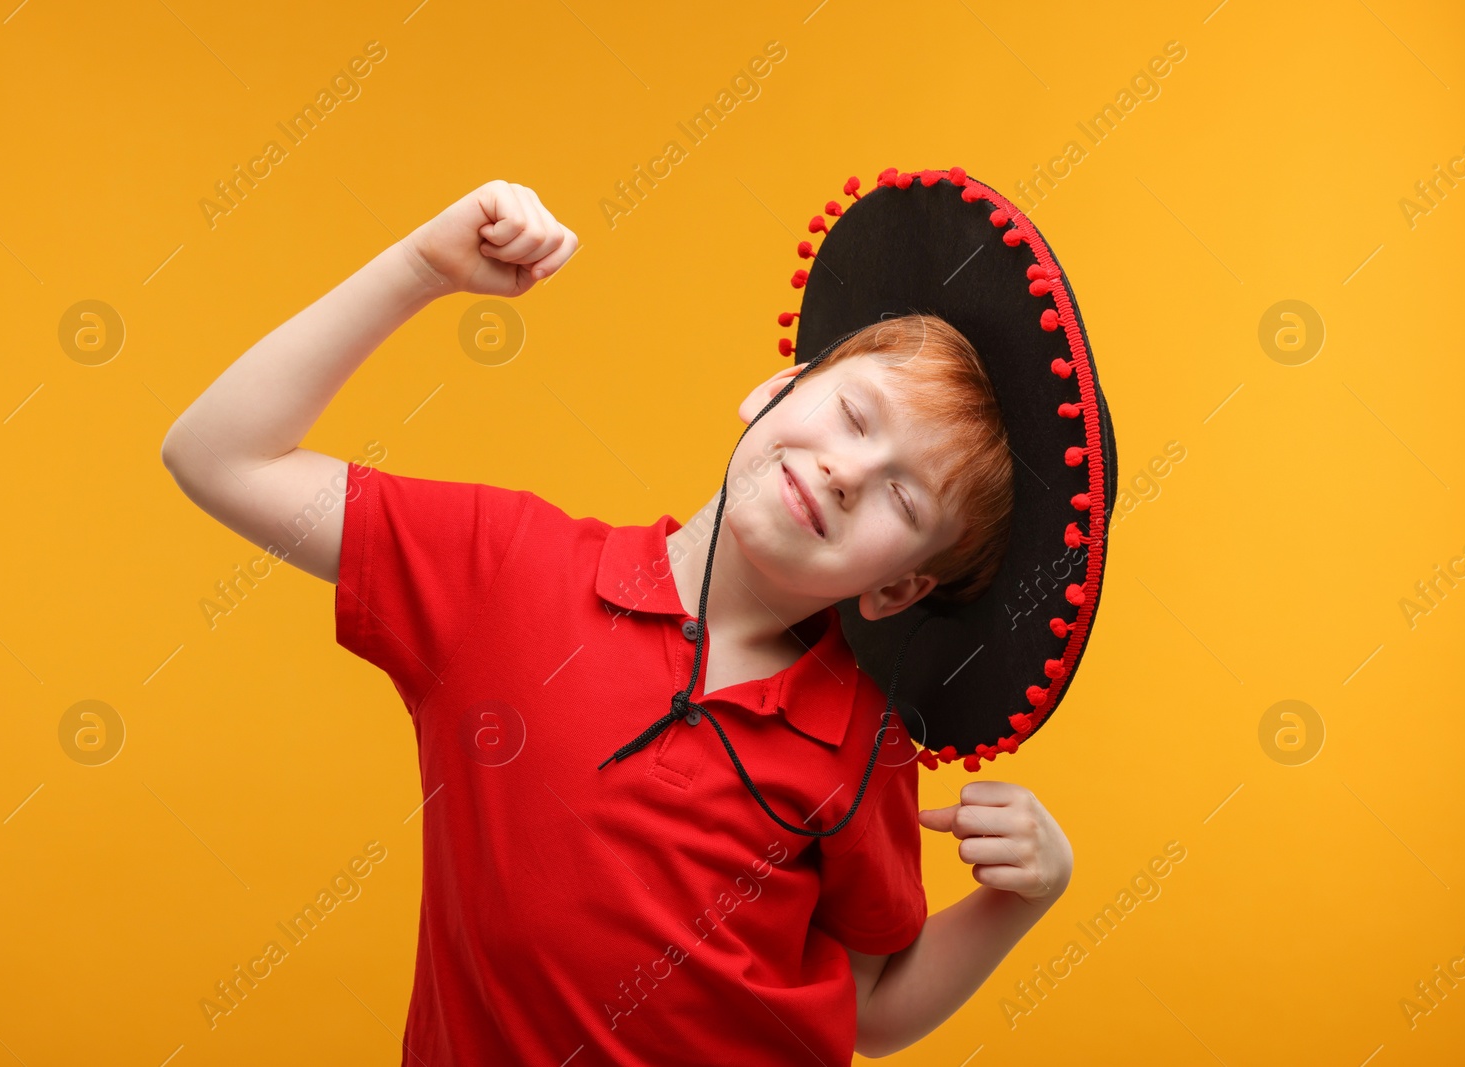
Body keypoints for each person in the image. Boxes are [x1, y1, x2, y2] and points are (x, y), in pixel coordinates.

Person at [160, 178, 1074, 1064]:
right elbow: (220, 455)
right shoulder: (503, 568)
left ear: (899, 590)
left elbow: (872, 1010)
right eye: (853, 416)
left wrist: (1021, 898)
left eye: (903, 501)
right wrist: (421, 269)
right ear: (775, 391)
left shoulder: (864, 745)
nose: (848, 471)